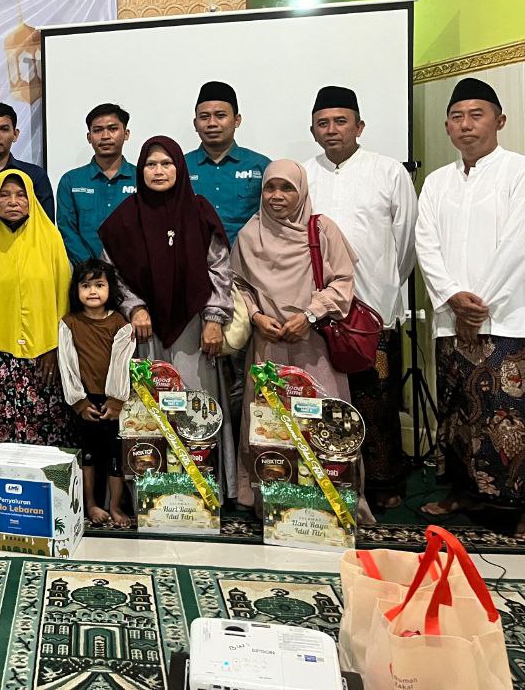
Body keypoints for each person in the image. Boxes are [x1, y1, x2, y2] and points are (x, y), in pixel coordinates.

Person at [415, 77, 525, 531]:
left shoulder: (518, 172)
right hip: (450, 319)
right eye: (457, 117)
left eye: (476, 115)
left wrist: (478, 304)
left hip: (505, 318)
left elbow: (517, 244)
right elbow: (426, 244)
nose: (466, 125)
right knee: (458, 413)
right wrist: (451, 298)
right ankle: (463, 493)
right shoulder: (438, 182)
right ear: (447, 127)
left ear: (499, 121)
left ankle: (515, 507)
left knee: (507, 416)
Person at [231, 161, 370, 518]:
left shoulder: (322, 230)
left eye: (287, 188)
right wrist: (258, 316)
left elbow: (343, 282)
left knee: (324, 421)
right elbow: (239, 286)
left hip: (314, 343)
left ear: (302, 191)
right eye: (269, 188)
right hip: (269, 344)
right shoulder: (250, 233)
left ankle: (330, 503)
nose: (277, 196)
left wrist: (309, 315)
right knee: (269, 423)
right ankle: (273, 505)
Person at [99, 136, 236, 494]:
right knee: (150, 405)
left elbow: (220, 269)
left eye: (166, 164)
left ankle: (203, 490)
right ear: (140, 169)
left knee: (198, 406)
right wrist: (135, 307)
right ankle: (151, 491)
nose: (158, 171)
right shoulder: (125, 217)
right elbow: (110, 272)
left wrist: (213, 318)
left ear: (180, 167)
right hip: (146, 331)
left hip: (195, 327)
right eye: (150, 165)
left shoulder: (200, 210)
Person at [304, 85, 417, 510]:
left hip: (373, 310)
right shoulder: (304, 174)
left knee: (377, 398)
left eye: (340, 121)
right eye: (323, 123)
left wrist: (386, 285)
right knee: (326, 400)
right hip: (320, 311)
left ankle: (384, 482)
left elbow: (406, 242)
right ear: (313, 130)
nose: (332, 130)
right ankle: (331, 480)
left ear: (359, 126)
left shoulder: (389, 172)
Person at [0, 170, 74, 446]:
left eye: (20, 195)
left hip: (44, 355)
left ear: (31, 201)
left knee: (48, 431)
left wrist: (54, 348)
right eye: (4, 195)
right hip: (0, 357)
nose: (13, 201)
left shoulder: (50, 238)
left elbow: (63, 299)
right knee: (5, 435)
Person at [58, 258, 136, 526]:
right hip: (85, 401)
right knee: (88, 456)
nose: (92, 291)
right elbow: (66, 365)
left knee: (116, 455)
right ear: (76, 290)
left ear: (110, 289)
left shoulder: (120, 324)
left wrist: (116, 401)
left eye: (99, 285)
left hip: (114, 403)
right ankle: (90, 504)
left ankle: (115, 506)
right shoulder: (69, 323)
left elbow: (122, 365)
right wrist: (79, 402)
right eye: (86, 285)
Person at [187, 81, 271, 244]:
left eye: (220, 115)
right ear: (195, 124)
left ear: (237, 120)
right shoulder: (180, 167)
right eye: (204, 117)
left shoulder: (261, 166)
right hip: (194, 262)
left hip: (248, 261)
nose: (212, 123)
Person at [56, 104, 137, 265]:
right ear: (89, 137)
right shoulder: (71, 181)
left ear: (126, 134)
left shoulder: (141, 178)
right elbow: (67, 230)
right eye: (98, 130)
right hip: (87, 276)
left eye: (113, 129)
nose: (105, 136)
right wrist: (91, 268)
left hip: (133, 275)